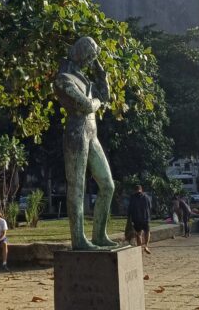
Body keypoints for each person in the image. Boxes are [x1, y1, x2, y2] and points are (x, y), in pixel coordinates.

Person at [54, 36, 117, 250]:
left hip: (92, 134)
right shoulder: (64, 78)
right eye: (90, 58)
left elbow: (105, 97)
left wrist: (102, 76)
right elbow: (88, 106)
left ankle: (99, 235)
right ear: (81, 54)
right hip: (77, 133)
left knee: (108, 185)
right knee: (77, 187)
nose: (91, 62)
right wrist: (97, 101)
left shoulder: (83, 78)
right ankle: (79, 239)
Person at [127, 183, 153, 254]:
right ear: (141, 189)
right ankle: (146, 246)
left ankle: (139, 248)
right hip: (145, 218)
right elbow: (150, 207)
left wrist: (129, 218)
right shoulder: (146, 197)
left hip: (136, 219)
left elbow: (130, 209)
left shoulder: (132, 197)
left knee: (138, 234)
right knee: (147, 232)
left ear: (134, 190)